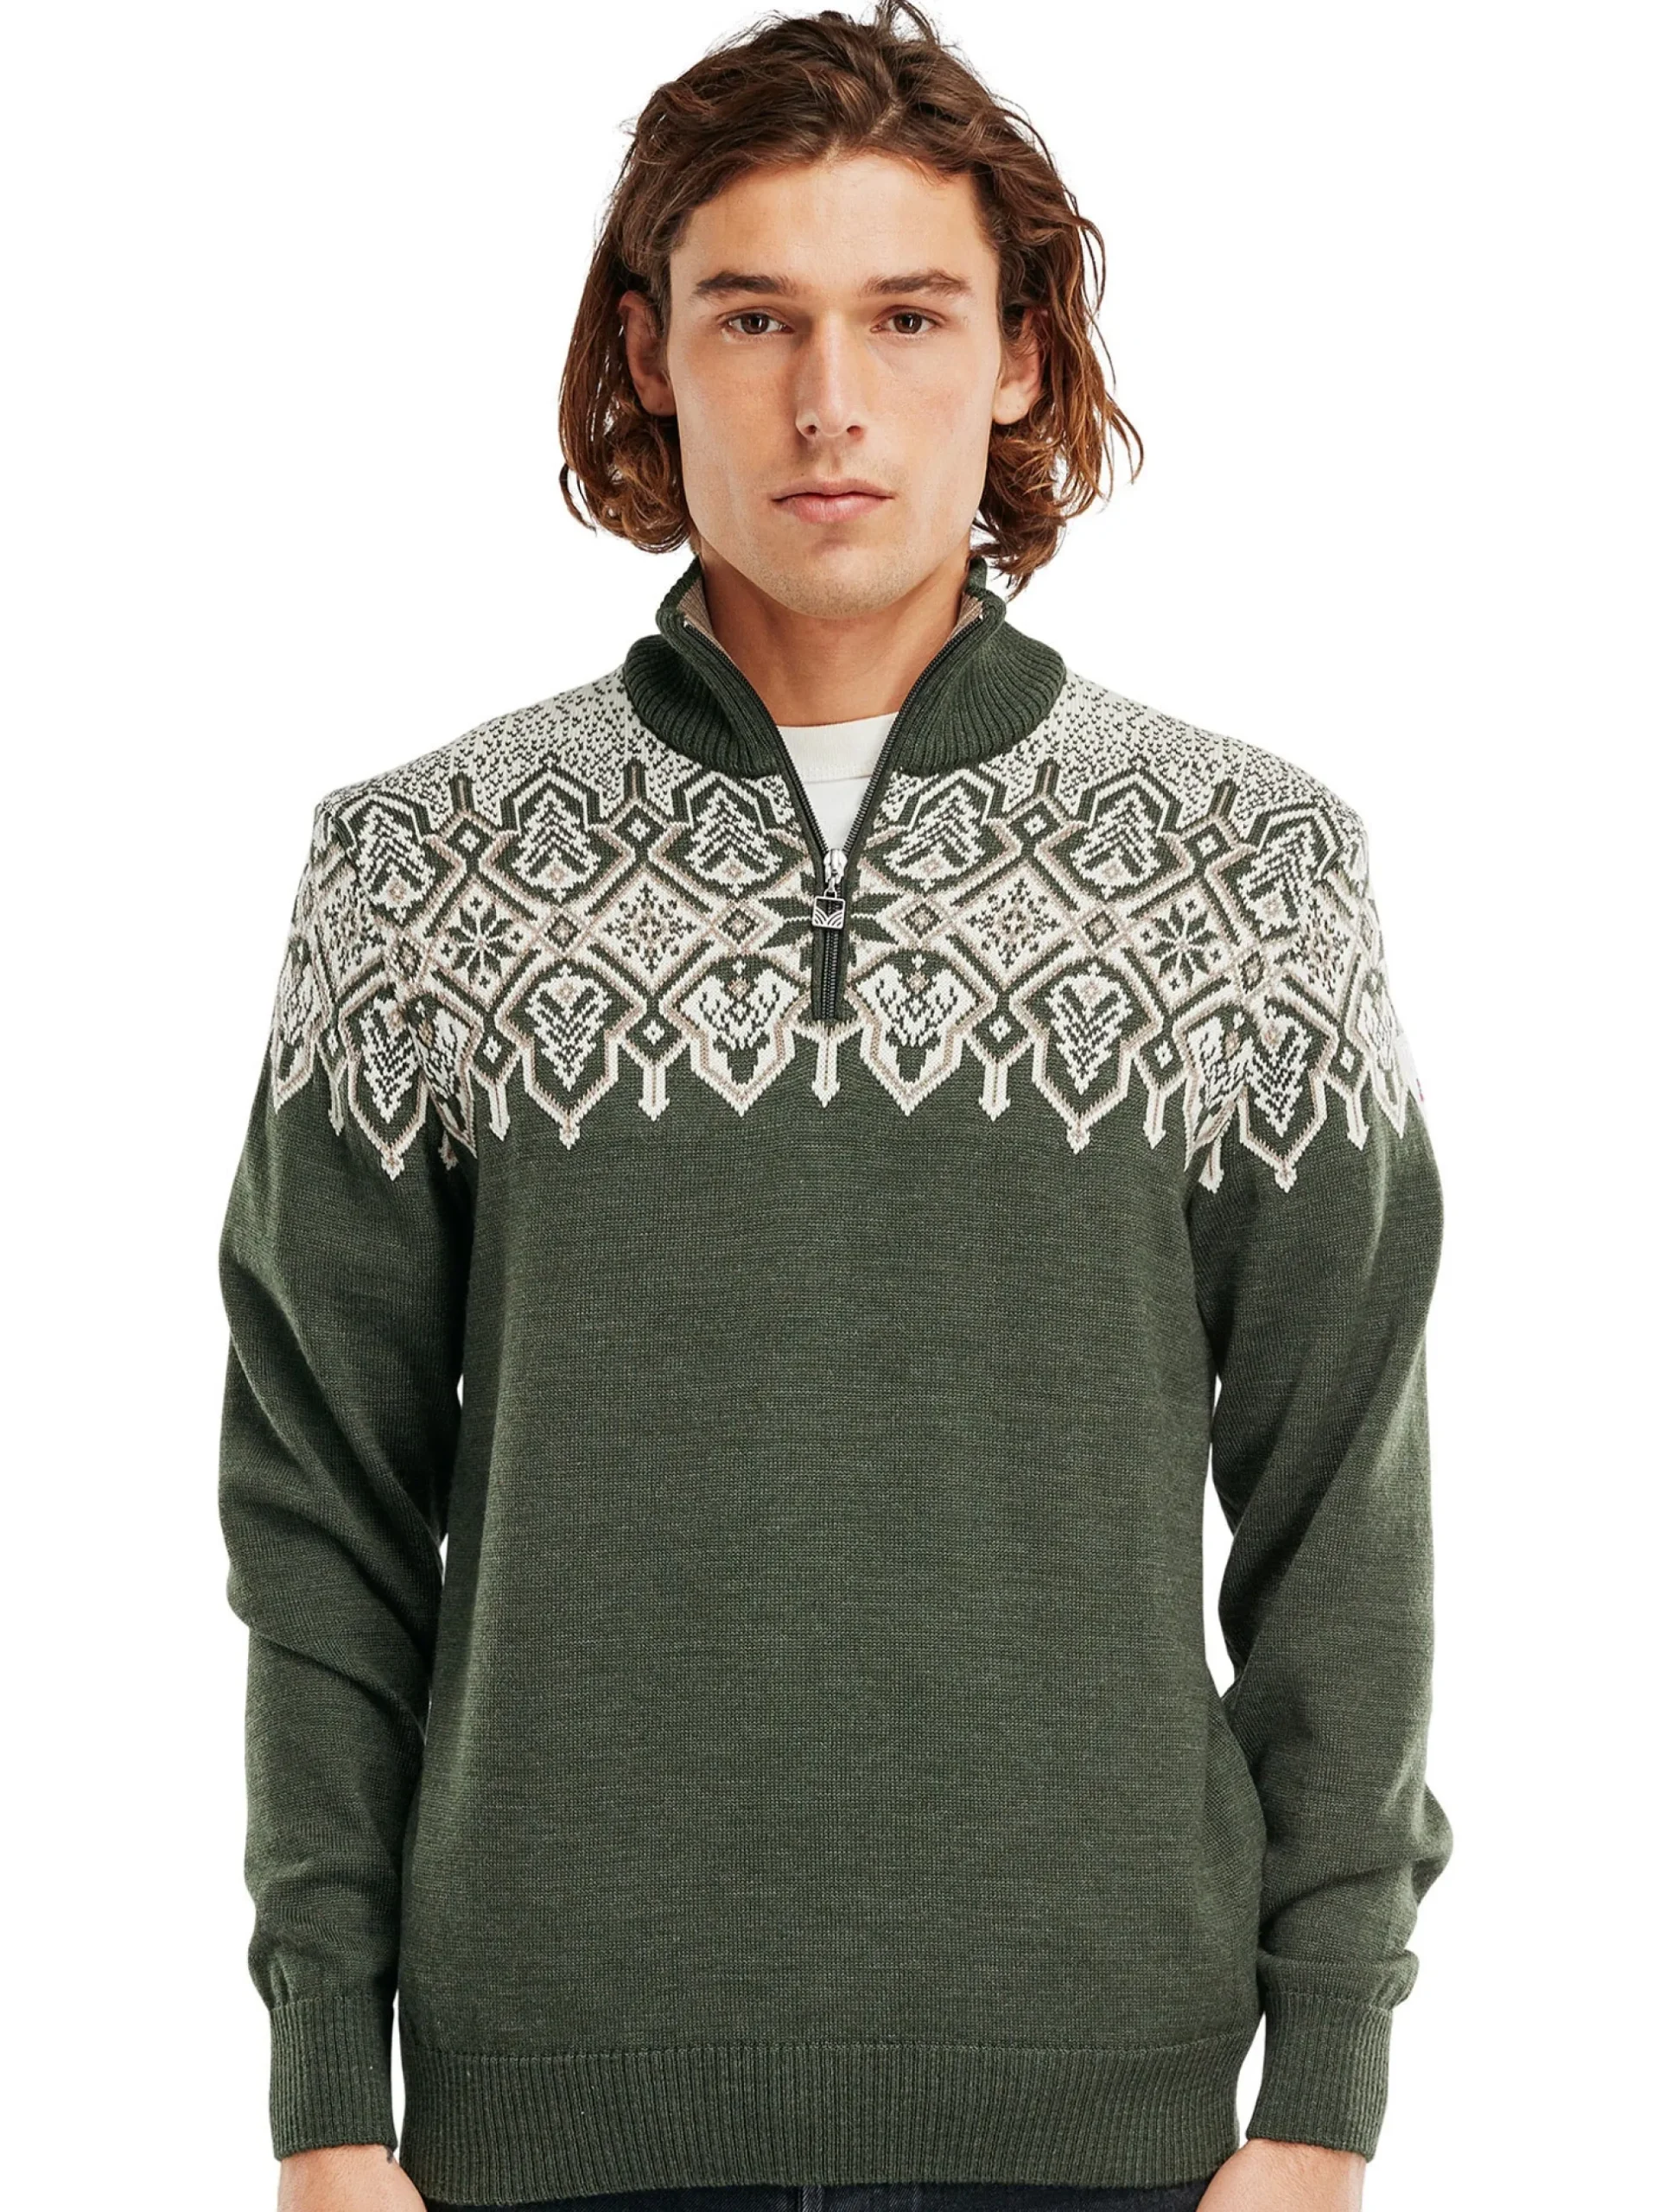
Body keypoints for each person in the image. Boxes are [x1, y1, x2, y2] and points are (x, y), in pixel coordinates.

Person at [215, 7, 1452, 2212]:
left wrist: (1326, 2094)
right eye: (754, 316)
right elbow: (319, 1499)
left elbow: (1340, 1493)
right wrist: (325, 2094)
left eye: (907, 316)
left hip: (1123, 2129)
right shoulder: (419, 864)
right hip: (539, 2125)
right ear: (647, 352)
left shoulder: (1247, 862)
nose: (829, 402)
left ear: (1018, 356)